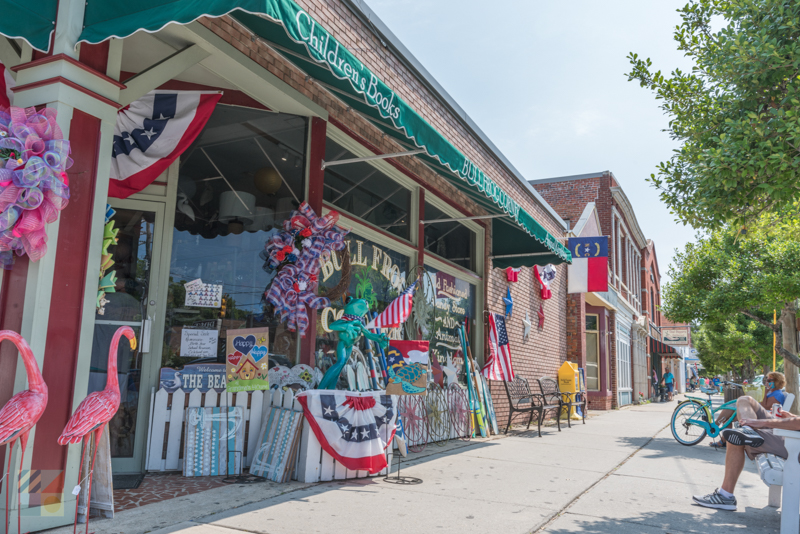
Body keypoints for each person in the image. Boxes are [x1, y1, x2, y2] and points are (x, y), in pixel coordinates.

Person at [693, 394, 800, 510]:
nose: (768, 382)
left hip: (794, 442)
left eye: (770, 380)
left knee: (736, 437)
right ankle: (748, 431)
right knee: (745, 400)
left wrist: (763, 423)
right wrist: (792, 417)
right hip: (793, 430)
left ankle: (725, 496)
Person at [709, 372, 786, 448]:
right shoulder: (772, 392)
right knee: (727, 417)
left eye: (769, 381)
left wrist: (764, 392)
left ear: (776, 382)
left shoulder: (777, 394)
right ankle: (722, 438)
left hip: (760, 417)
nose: (766, 382)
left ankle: (714, 428)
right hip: (755, 413)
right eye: (766, 380)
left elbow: (766, 407)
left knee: (728, 416)